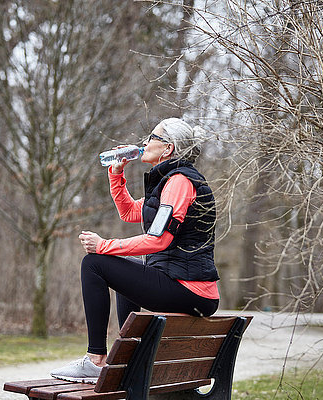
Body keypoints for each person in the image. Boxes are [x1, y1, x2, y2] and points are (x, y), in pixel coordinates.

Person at [50, 118, 220, 383]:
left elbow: (159, 239)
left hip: (188, 289)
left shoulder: (179, 183)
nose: (144, 142)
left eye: (152, 136)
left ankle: (96, 360)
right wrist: (116, 175)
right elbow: (129, 212)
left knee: (94, 263)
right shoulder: (169, 183)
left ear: (168, 149)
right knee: (122, 261)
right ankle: (126, 355)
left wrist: (104, 245)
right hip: (186, 287)